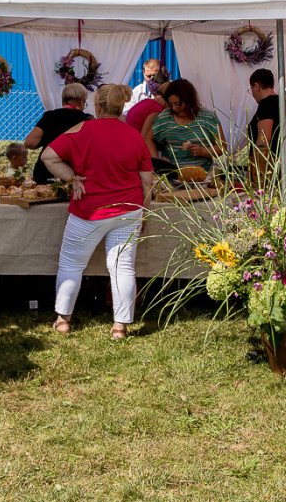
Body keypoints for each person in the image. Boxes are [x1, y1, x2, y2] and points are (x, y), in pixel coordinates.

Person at [40, 84, 154, 340]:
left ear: (98, 106)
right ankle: (119, 327)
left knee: (71, 264)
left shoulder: (82, 129)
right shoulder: (134, 135)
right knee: (123, 267)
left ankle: (63, 320)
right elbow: (147, 181)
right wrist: (145, 213)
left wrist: (72, 177)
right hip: (129, 209)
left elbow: (48, 157)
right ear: (121, 106)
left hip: (89, 209)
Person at [147, 79, 227, 171]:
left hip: (203, 174)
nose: (174, 108)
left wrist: (203, 151)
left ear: (189, 101)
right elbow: (148, 138)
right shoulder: (165, 117)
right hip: (172, 173)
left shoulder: (207, 117)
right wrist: (158, 161)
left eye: (177, 104)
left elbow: (222, 147)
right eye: (171, 104)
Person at [25, 83, 93, 184]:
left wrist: (48, 139)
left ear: (63, 100)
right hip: (75, 174)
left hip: (46, 171)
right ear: (82, 101)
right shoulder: (87, 120)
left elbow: (30, 142)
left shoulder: (49, 116)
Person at [247, 68, 286, 158]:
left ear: (256, 86)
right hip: (279, 159)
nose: (253, 94)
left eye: (251, 89)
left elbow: (264, 139)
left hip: (266, 161)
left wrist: (256, 161)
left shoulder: (266, 104)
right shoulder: (284, 105)